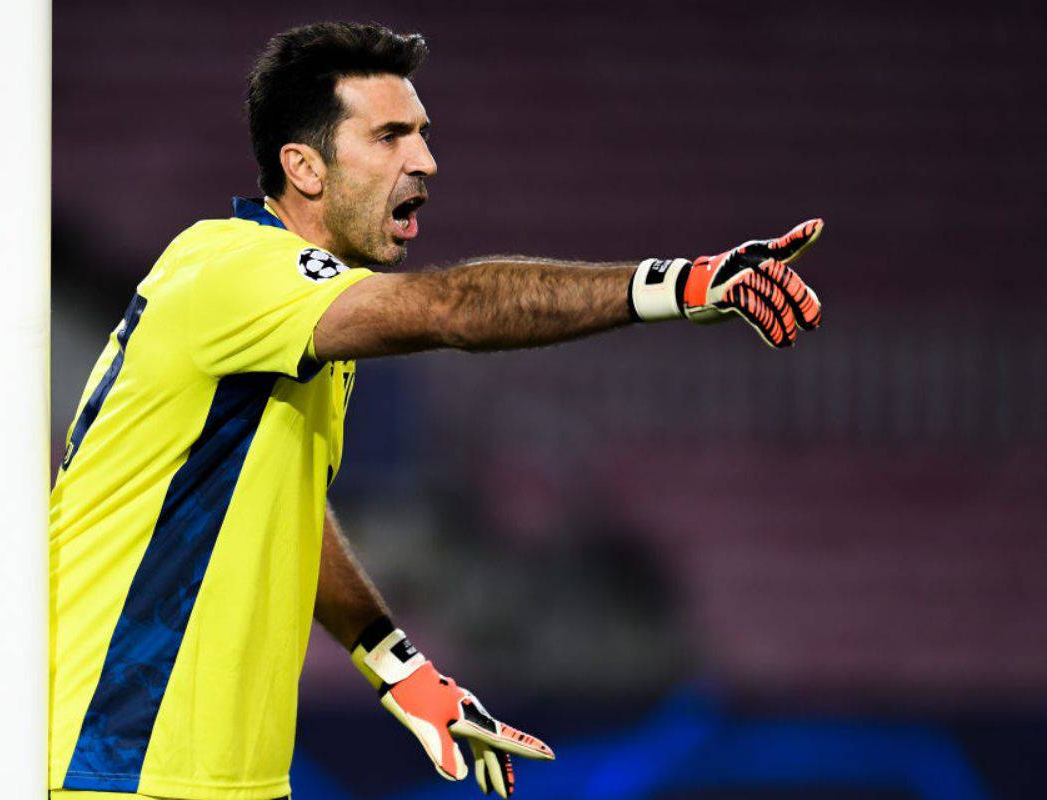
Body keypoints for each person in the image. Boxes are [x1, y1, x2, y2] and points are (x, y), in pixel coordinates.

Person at [47, 21, 823, 800]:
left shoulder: (292, 320)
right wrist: (678, 286)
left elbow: (282, 509)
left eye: (421, 134)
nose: (424, 160)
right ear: (304, 168)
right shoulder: (240, 273)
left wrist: (400, 670)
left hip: (215, 778)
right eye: (388, 137)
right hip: (115, 766)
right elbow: (450, 308)